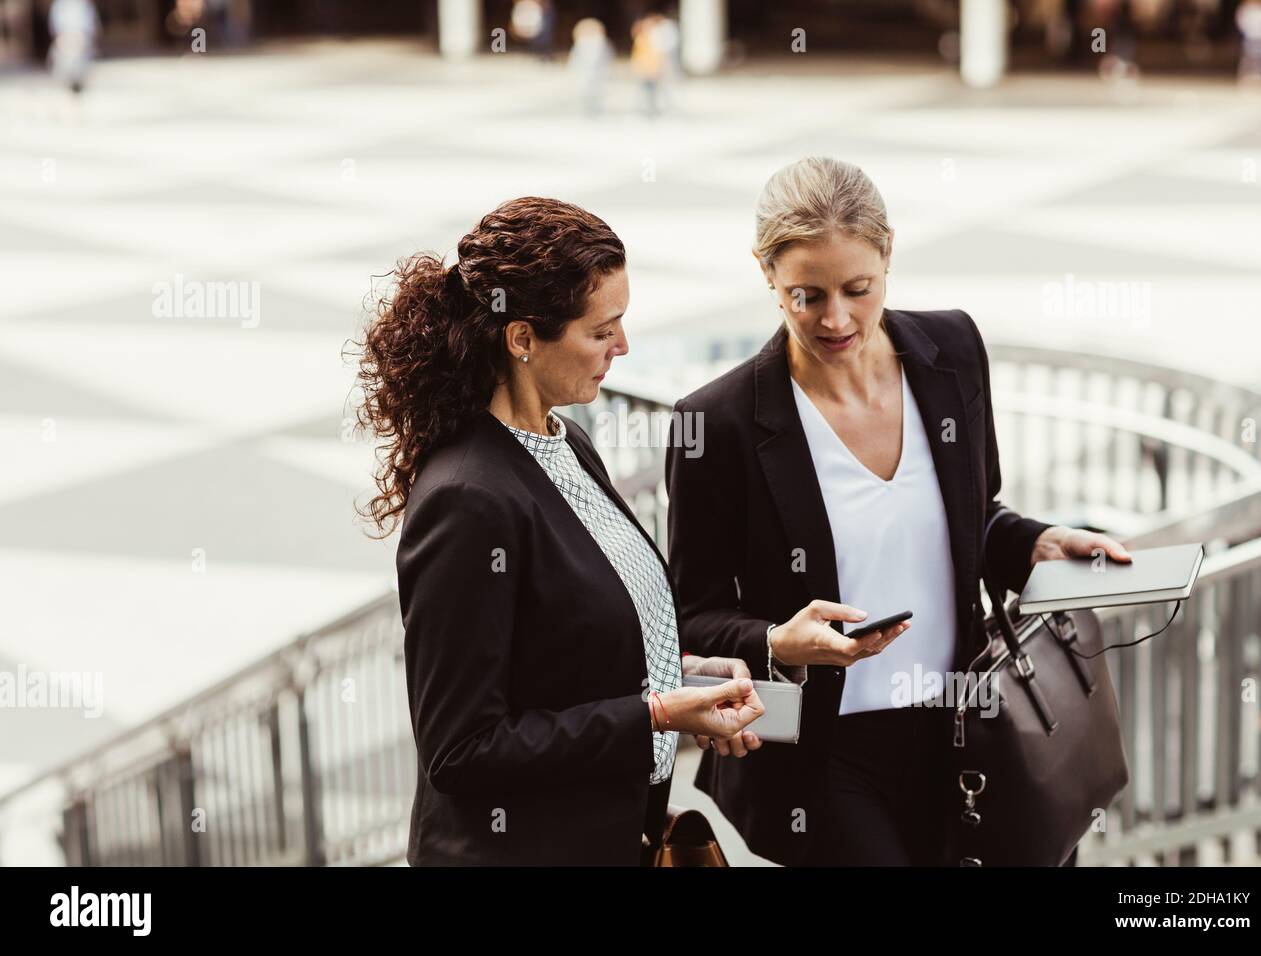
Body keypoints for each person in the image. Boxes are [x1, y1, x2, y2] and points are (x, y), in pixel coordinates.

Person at [665, 157, 1131, 866]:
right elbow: (690, 610)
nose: (836, 318)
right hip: (822, 759)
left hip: (969, 728)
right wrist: (778, 641)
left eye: (858, 288)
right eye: (806, 295)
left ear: (888, 255)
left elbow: (977, 517)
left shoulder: (953, 350)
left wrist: (1033, 545)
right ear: (765, 273)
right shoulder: (717, 421)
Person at [354, 197, 764, 866]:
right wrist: (657, 714)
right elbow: (461, 749)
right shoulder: (466, 500)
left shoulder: (564, 440)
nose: (622, 346)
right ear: (521, 339)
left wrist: (683, 674)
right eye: (602, 330)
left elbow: (564, 655)